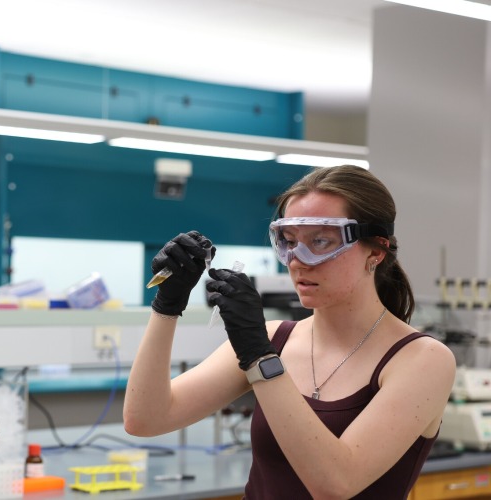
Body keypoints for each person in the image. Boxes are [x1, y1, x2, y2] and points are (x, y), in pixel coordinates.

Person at [123, 165, 455, 499]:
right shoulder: (275, 338)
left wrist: (259, 357)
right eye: (289, 242)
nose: (298, 260)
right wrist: (168, 304)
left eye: (321, 241)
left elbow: (336, 483)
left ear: (376, 251)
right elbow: (145, 419)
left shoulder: (422, 360)